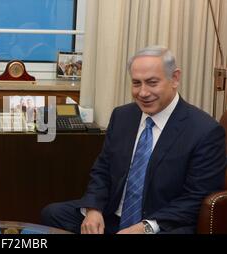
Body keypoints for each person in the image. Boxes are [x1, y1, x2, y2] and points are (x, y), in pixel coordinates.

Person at [41, 46, 226, 234]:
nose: (143, 93)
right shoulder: (123, 116)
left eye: (152, 83)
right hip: (114, 216)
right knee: (53, 214)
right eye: (136, 83)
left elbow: (195, 198)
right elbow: (103, 169)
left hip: (162, 222)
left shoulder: (205, 131)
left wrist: (145, 227)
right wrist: (93, 209)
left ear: (175, 78)